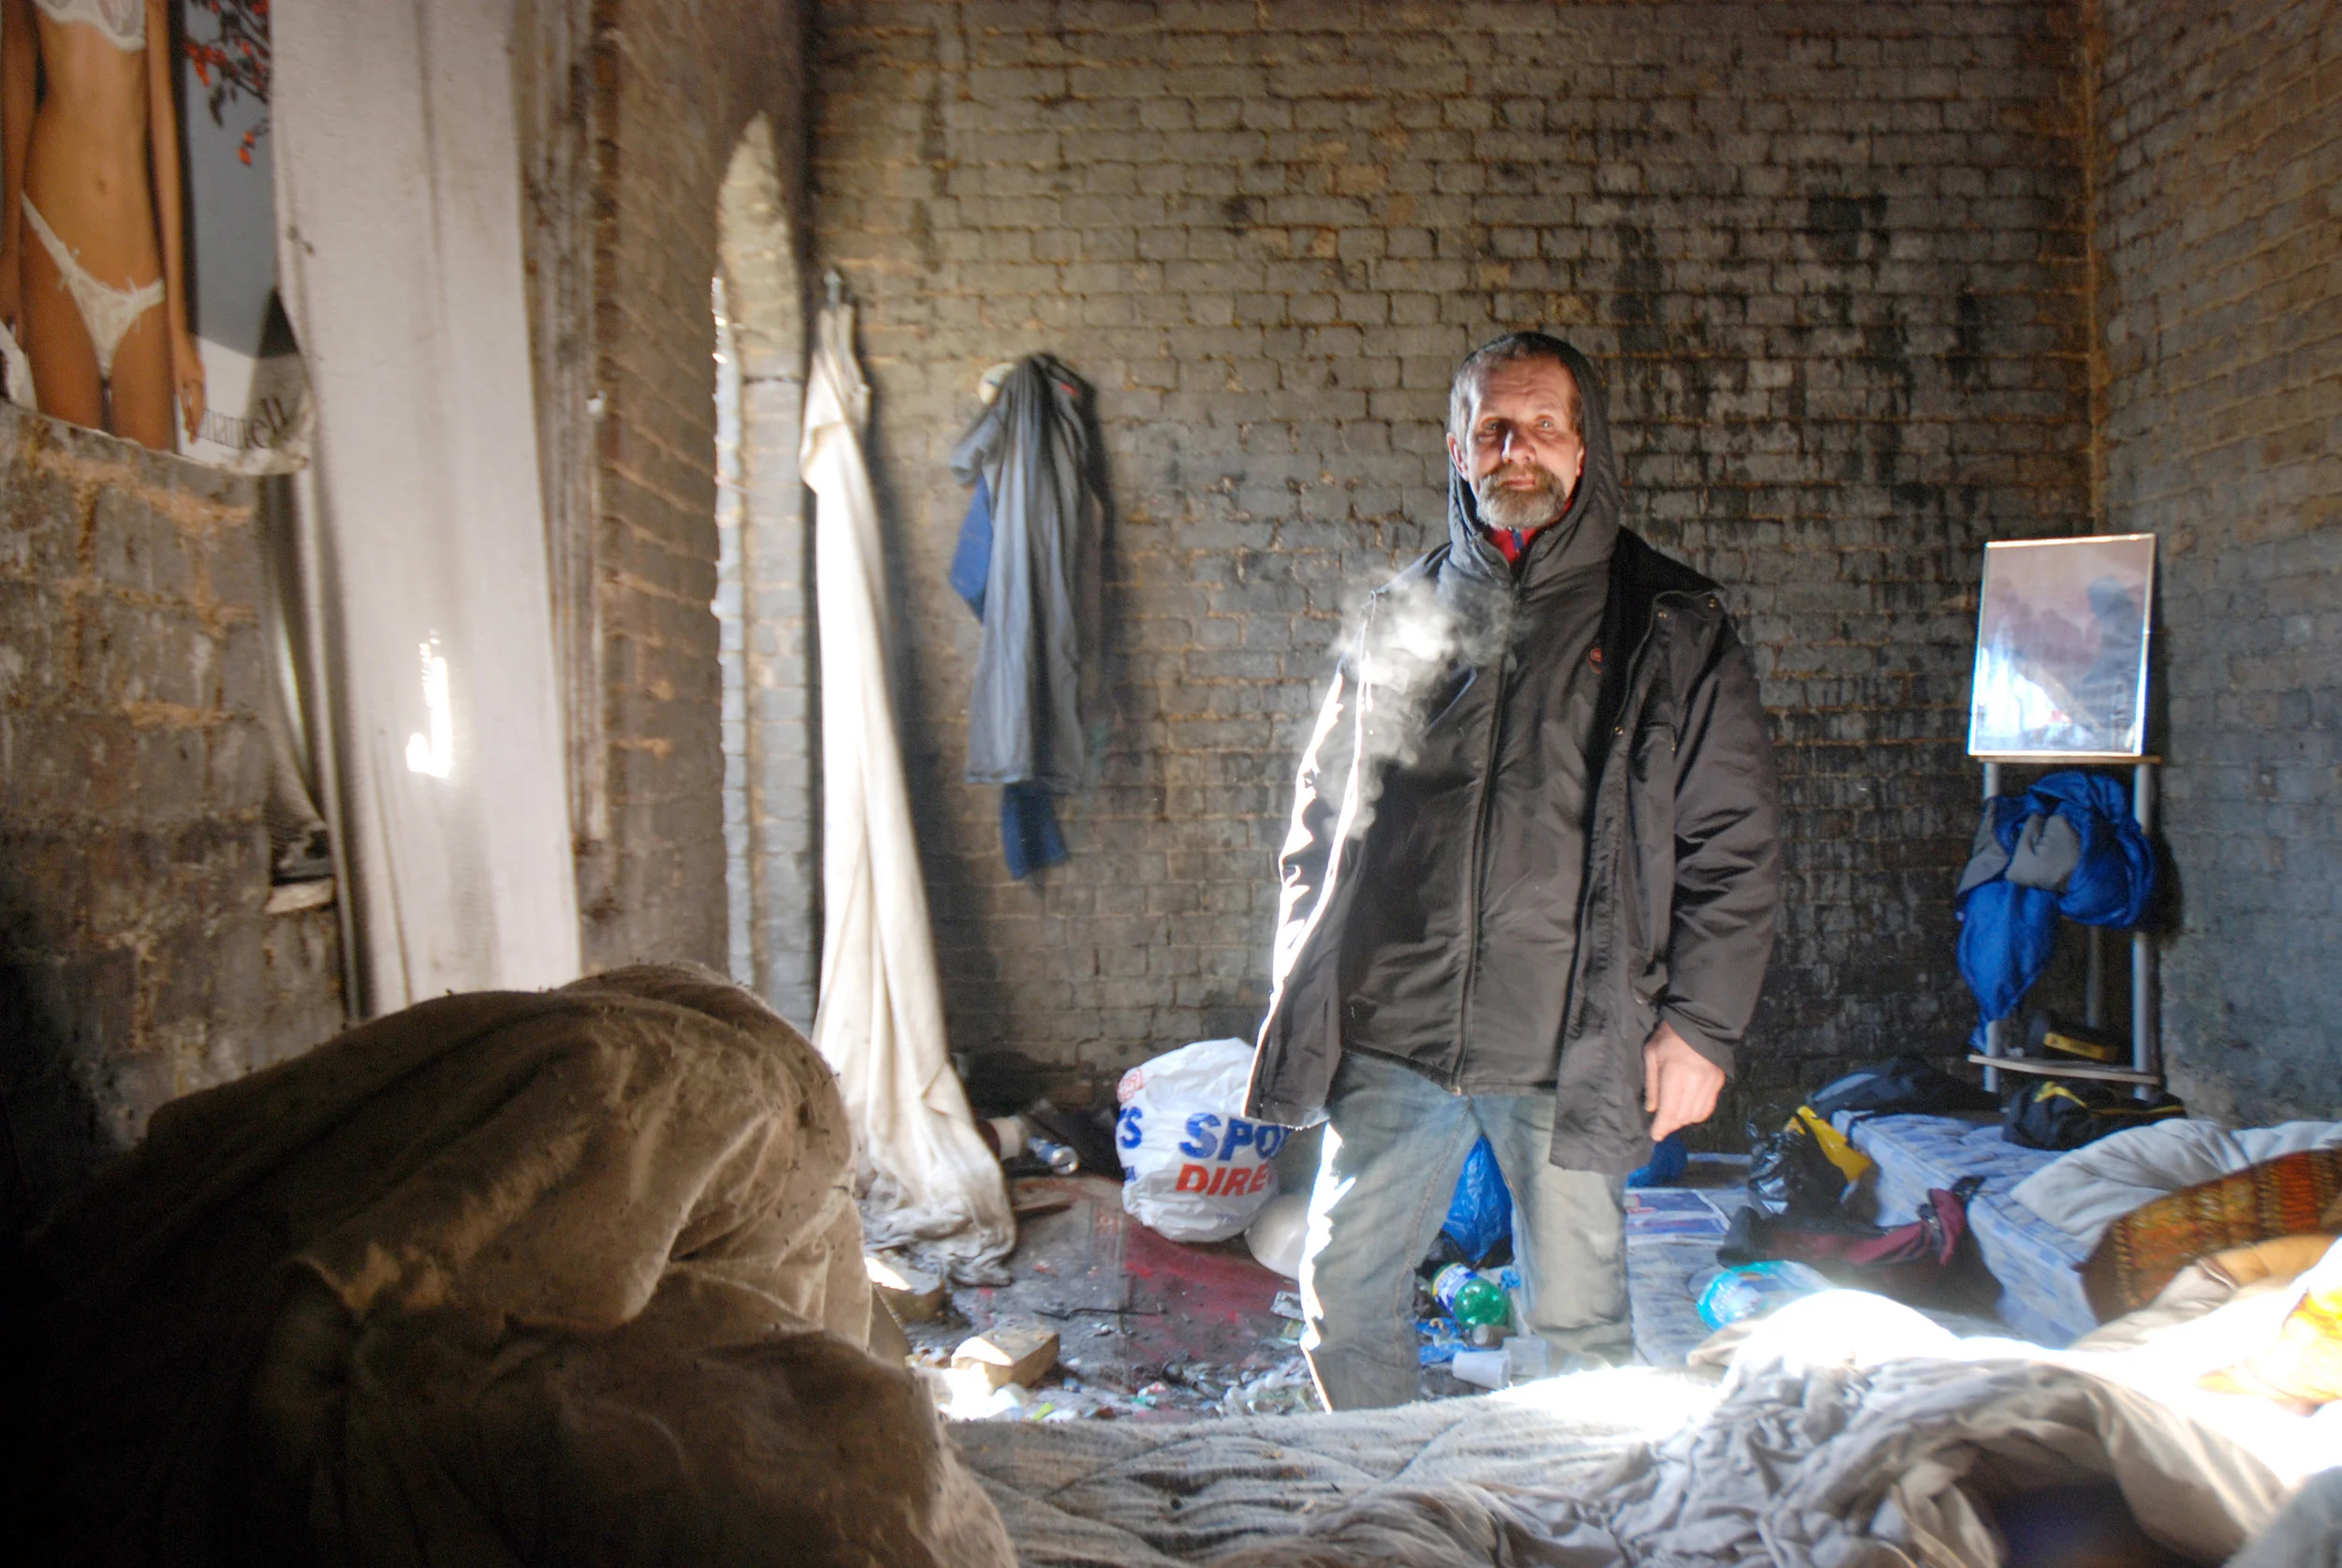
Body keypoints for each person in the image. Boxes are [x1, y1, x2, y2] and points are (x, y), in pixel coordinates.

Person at [1246, 332, 1781, 1409]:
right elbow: (1325, 813)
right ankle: (1389, 1513)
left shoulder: (1669, 625)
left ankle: (1553, 1517)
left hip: (1568, 1041)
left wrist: (1703, 1028)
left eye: (1542, 426)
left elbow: (1734, 844)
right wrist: (1304, 977)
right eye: (1492, 428)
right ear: (1456, 446)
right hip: (1397, 1034)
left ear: (1584, 451)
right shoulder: (1402, 614)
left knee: (1578, 1326)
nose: (1515, 450)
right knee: (1343, 1301)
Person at [1, 0, 205, 449]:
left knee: (152, 498)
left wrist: (177, 326)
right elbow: (15, 60)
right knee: (75, 488)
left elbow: (164, 123)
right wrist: (8, 256)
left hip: (135, 266)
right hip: (51, 237)